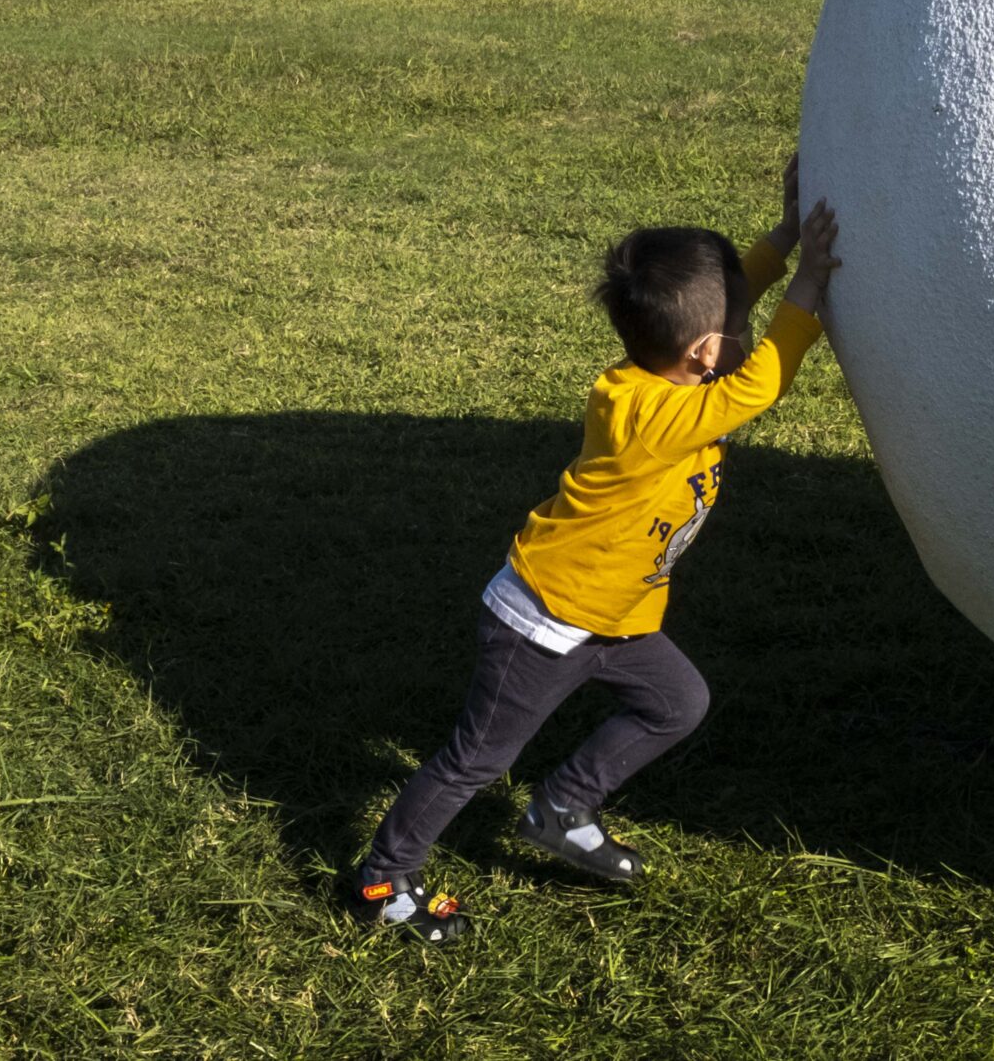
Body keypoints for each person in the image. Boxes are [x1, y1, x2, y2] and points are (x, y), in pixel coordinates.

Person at [346, 157, 841, 944]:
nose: (745, 337)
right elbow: (759, 386)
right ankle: (383, 876)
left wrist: (779, 239)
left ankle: (562, 805)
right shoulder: (652, 415)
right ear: (706, 353)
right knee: (476, 759)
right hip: (542, 623)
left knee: (677, 702)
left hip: (616, 616)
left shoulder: (670, 374)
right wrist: (809, 284)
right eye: (737, 330)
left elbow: (721, 321)